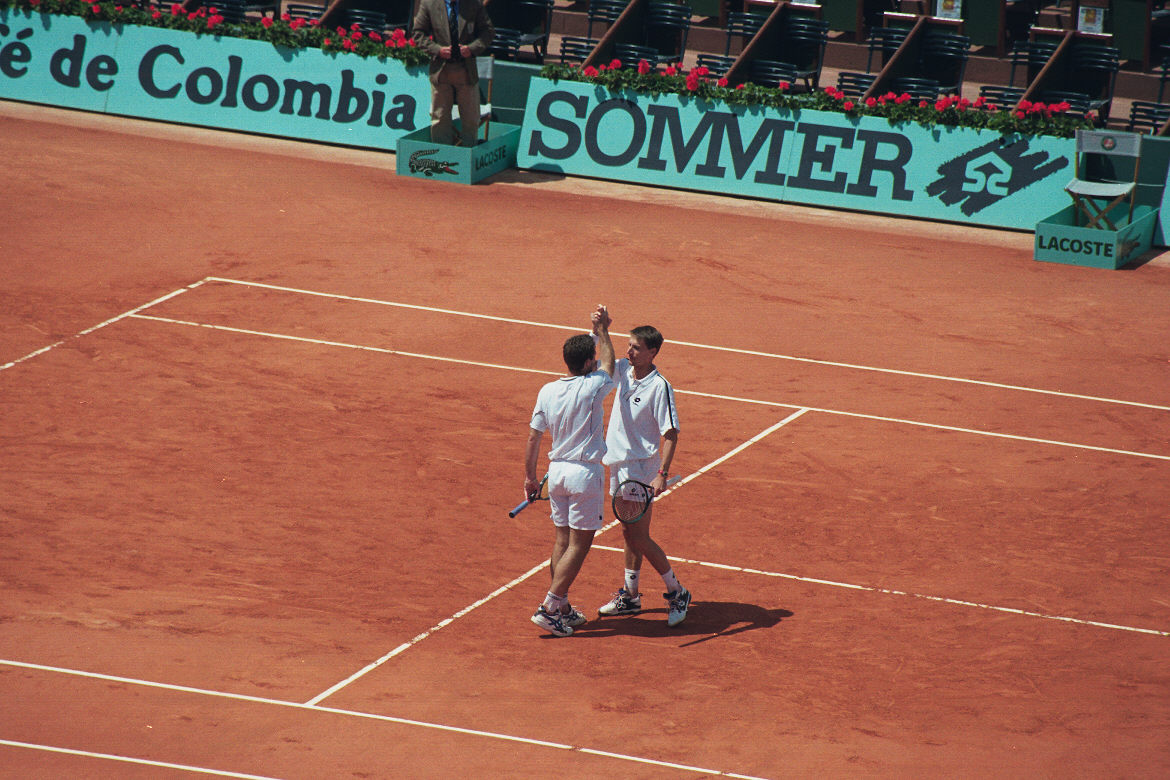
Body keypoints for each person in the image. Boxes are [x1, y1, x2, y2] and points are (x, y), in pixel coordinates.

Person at [524, 305, 616, 637]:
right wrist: (602, 329)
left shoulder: (547, 391)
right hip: (584, 475)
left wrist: (530, 478)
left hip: (557, 472)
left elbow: (534, 437)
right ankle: (550, 607)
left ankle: (561, 608)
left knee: (562, 540)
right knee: (580, 544)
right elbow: (609, 362)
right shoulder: (593, 387)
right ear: (588, 363)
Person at [598, 324, 691, 627]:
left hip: (641, 470)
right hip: (618, 463)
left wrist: (661, 474)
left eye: (636, 348)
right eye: (629, 346)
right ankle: (631, 595)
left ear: (652, 352)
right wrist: (601, 331)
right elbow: (606, 363)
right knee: (628, 533)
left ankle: (677, 592)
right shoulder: (623, 369)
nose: (629, 352)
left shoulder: (659, 386)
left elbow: (672, 434)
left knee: (639, 536)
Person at [412, 0, 494, 147]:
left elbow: (487, 32)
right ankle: (441, 156)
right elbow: (418, 33)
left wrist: (471, 48)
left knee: (470, 119)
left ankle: (468, 156)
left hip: (466, 70)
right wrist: (437, 49)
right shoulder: (429, 3)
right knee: (440, 118)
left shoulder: (474, 4)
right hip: (441, 71)